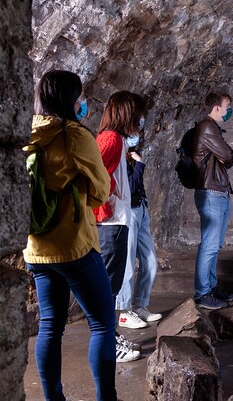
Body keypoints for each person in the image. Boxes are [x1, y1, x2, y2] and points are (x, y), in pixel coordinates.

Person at [24, 70, 117, 400]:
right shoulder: (74, 135)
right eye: (80, 96)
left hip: (36, 248)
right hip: (74, 244)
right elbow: (101, 190)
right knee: (104, 324)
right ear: (69, 99)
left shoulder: (26, 133)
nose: (83, 103)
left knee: (50, 325)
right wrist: (83, 194)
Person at [94, 90, 143, 362]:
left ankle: (109, 337)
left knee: (110, 286)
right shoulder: (111, 139)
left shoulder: (118, 141)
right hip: (110, 223)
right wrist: (109, 198)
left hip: (116, 220)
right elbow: (92, 171)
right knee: (107, 287)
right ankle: (107, 343)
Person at [115, 93, 162, 326]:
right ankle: (124, 313)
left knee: (150, 261)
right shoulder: (116, 146)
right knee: (126, 266)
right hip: (128, 211)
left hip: (140, 208)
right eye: (140, 118)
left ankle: (139, 305)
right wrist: (140, 165)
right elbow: (129, 186)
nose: (142, 122)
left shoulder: (129, 147)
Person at [191, 91, 233, 309]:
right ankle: (202, 293)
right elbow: (227, 156)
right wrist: (225, 153)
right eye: (227, 107)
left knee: (215, 245)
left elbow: (226, 159)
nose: (229, 111)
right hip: (211, 192)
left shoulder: (213, 128)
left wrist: (224, 155)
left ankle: (211, 287)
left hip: (218, 191)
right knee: (209, 245)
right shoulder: (207, 127)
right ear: (216, 108)